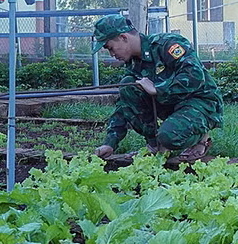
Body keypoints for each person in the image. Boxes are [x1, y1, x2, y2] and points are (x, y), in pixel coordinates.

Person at [92, 14, 224, 161]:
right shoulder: (134, 64)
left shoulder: (167, 44)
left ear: (123, 37)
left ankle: (201, 139)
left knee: (169, 137)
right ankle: (155, 145)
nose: (112, 54)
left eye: (110, 48)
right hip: (172, 105)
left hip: (201, 103)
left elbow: (195, 76)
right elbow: (124, 106)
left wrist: (158, 89)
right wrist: (110, 143)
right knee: (127, 86)